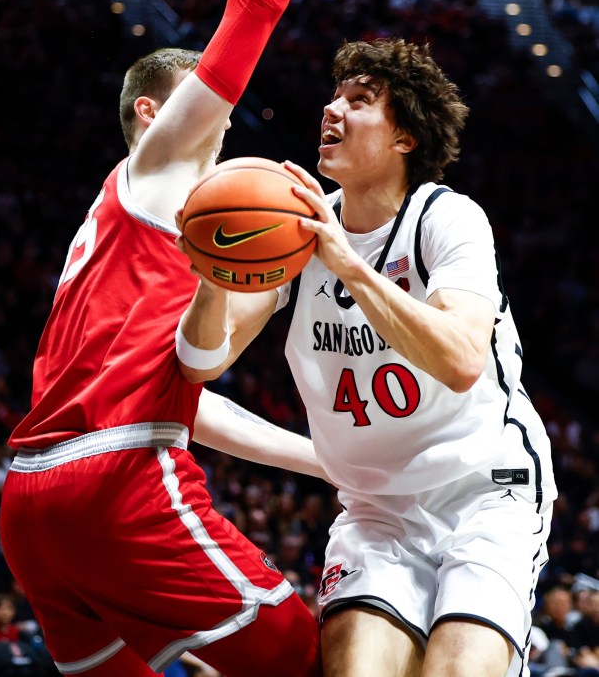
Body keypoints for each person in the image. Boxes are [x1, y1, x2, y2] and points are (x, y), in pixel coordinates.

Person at [0, 0, 354, 677]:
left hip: (33, 503)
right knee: (307, 659)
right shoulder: (161, 162)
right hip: (115, 483)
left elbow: (183, 407)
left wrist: (325, 460)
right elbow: (257, 6)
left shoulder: (125, 231)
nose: (224, 121)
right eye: (212, 106)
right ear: (155, 114)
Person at [176, 35, 558, 677]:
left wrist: (348, 264)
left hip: (486, 489)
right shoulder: (294, 235)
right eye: (334, 95)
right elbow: (203, 362)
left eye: (360, 100)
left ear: (405, 137)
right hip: (376, 507)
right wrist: (215, 275)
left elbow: (461, 359)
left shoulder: (447, 219)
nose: (333, 109)